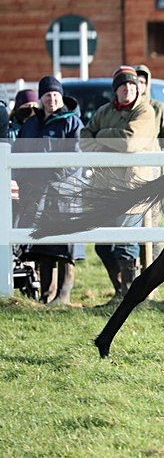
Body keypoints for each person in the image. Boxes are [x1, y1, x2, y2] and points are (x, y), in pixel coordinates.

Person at [80, 66, 157, 300]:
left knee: (126, 243)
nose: (128, 89)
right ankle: (119, 292)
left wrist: (102, 136)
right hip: (105, 186)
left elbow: (130, 143)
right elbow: (84, 139)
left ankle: (130, 296)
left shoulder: (145, 111)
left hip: (132, 186)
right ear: (116, 90)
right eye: (123, 85)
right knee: (103, 245)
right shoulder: (105, 111)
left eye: (132, 85)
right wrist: (110, 136)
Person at [12, 76, 84, 305]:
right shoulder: (31, 125)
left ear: (61, 96)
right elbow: (19, 154)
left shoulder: (72, 123)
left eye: (55, 95)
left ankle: (63, 294)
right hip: (35, 193)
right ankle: (46, 294)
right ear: (41, 99)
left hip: (64, 191)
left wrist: (52, 176)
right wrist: (23, 181)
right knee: (42, 245)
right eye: (47, 95)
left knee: (64, 245)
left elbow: (77, 157)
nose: (51, 99)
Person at [134, 64, 164, 263]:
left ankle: (150, 275)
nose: (138, 86)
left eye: (142, 82)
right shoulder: (124, 112)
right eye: (135, 81)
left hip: (153, 177)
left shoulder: (159, 110)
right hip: (127, 178)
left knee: (151, 229)